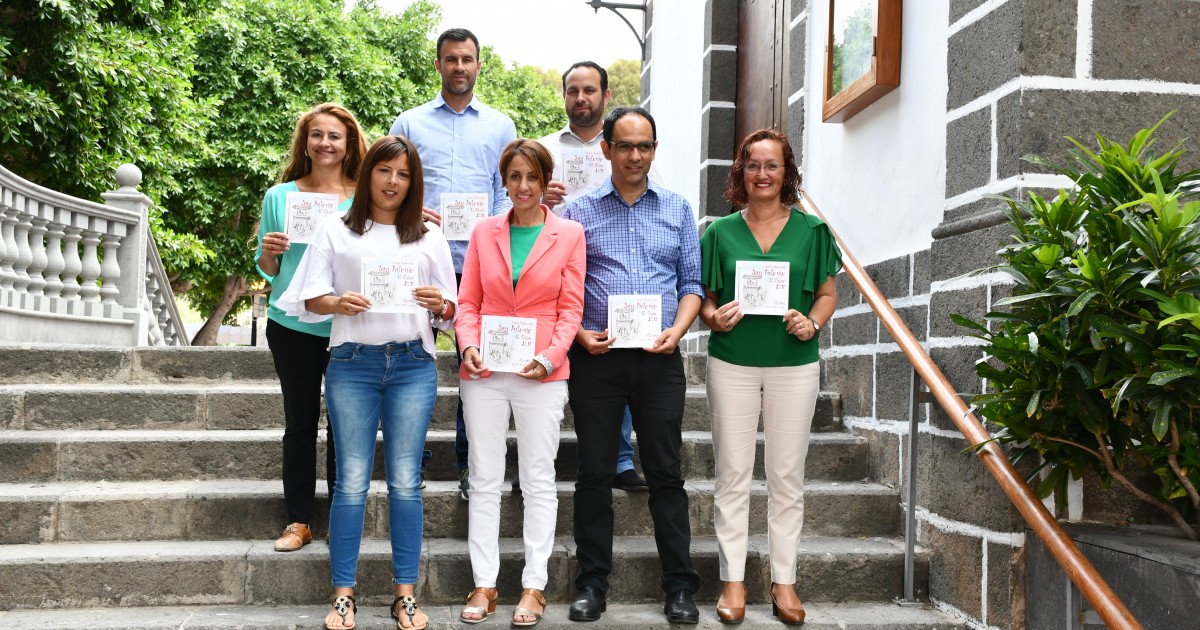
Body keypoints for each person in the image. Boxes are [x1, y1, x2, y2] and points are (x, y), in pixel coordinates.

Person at [277, 136, 457, 630]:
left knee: (405, 484)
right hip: (352, 364)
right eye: (384, 171)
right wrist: (338, 303)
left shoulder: (428, 236)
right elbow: (308, 297)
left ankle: (405, 595)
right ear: (369, 173)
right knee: (351, 483)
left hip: (412, 366)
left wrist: (439, 304)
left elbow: (453, 308)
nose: (393, 181)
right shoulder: (335, 228)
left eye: (403, 174)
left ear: (412, 181)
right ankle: (343, 594)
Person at [561, 107, 702, 625]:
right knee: (594, 473)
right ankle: (592, 585)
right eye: (625, 146)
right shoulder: (577, 213)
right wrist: (577, 334)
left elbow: (692, 284)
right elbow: (564, 289)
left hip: (658, 359)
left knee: (666, 472)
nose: (635, 156)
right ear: (606, 150)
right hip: (597, 359)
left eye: (644, 146)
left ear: (654, 150)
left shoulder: (679, 209)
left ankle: (680, 589)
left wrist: (678, 331)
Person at [699, 129, 841, 626]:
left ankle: (784, 583)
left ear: (787, 172)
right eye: (753, 164)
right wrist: (713, 318)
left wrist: (813, 322)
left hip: (794, 365)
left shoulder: (812, 232)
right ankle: (733, 582)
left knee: (786, 478)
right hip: (732, 362)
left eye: (773, 165)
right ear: (741, 171)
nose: (762, 174)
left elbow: (826, 294)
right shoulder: (718, 233)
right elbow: (707, 302)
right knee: (732, 476)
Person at [455, 139, 586, 627]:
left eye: (532, 177)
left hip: (541, 374)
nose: (523, 186)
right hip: (484, 371)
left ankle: (534, 586)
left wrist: (551, 357)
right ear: (504, 181)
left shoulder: (569, 234)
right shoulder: (483, 231)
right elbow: (467, 301)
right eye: (515, 177)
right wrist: (467, 344)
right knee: (485, 478)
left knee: (538, 479)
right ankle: (485, 583)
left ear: (545, 180)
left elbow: (570, 308)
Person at [390, 27, 517, 500]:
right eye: (451, 59)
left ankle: (470, 467)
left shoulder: (501, 126)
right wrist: (411, 204)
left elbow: (508, 189)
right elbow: (390, 177)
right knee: (413, 357)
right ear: (438, 64)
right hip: (419, 255)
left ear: (479, 64)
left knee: (475, 365)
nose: (459, 66)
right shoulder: (410, 121)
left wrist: (496, 221)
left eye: (467, 59)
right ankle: (412, 464)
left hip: (480, 262)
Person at [254, 102, 366, 552]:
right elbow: (267, 269)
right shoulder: (279, 197)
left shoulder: (366, 196)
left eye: (334, 136)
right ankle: (298, 520)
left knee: (345, 427)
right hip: (292, 324)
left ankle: (341, 520)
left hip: (347, 326)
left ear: (348, 144)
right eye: (316, 134)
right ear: (305, 141)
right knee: (299, 423)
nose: (325, 143)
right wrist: (269, 249)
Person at [537, 60, 648, 492]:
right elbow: (505, 203)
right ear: (564, 95)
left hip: (606, 266)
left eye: (589, 90)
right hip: (548, 265)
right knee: (543, 361)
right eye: (572, 90)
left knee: (611, 354)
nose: (581, 98)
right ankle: (534, 460)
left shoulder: (624, 144)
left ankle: (620, 459)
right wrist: (538, 194)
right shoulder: (543, 148)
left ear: (605, 96)